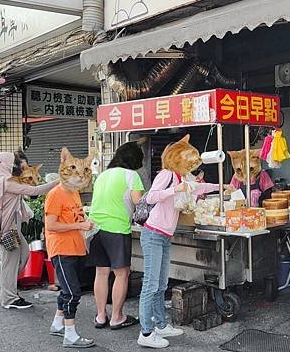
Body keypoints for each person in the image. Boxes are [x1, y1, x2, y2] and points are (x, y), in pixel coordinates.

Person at [137, 135, 221, 349]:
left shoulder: (181, 178)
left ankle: (162, 325)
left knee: (161, 284)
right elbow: (151, 197)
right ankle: (146, 332)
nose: (192, 165)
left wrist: (222, 186)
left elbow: (198, 189)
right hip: (153, 234)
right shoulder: (166, 175)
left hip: (164, 236)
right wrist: (175, 190)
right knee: (150, 285)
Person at [0, 151, 58, 310]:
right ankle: (9, 298)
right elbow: (34, 191)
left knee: (24, 254)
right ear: (4, 165)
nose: (17, 167)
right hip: (6, 229)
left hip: (10, 226)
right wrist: (59, 181)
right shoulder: (5, 182)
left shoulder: (0, 180)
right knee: (10, 261)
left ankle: (7, 290)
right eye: (14, 164)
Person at [88, 141, 145, 330]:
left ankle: (101, 316)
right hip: (117, 229)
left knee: (101, 272)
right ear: (134, 159)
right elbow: (140, 203)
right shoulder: (132, 175)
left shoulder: (103, 175)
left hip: (95, 228)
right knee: (122, 274)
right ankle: (117, 317)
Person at [45, 148, 95, 348]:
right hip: (62, 249)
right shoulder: (56, 194)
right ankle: (70, 335)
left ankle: (57, 325)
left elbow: (75, 218)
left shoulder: (74, 193)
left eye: (83, 170)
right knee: (73, 292)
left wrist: (86, 223)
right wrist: (79, 226)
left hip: (76, 247)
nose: (79, 174)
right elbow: (50, 225)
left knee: (67, 290)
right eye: (74, 169)